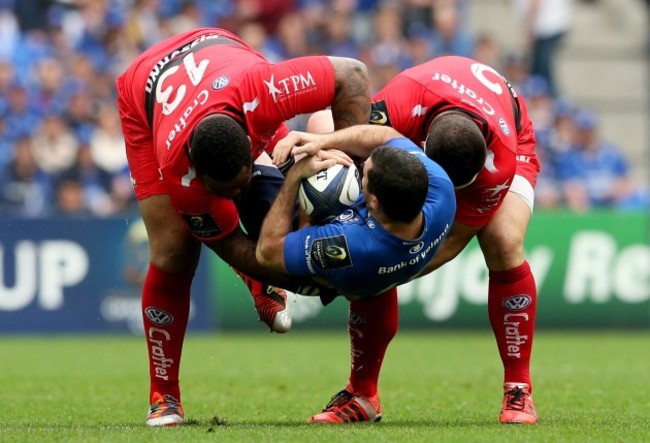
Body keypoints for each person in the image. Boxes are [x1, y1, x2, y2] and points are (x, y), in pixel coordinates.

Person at [115, 27, 371, 426]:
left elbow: (352, 74)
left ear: (254, 143)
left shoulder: (265, 93)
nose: (236, 191)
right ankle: (163, 396)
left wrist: (348, 153)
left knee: (308, 201)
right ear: (200, 176)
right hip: (143, 90)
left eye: (244, 176)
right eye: (225, 190)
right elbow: (231, 244)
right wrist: (291, 274)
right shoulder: (181, 177)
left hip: (222, 57)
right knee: (174, 251)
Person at [286, 54, 540, 424]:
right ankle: (362, 395)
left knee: (503, 241)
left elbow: (447, 242)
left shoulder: (495, 162)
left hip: (514, 137)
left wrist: (374, 267)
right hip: (429, 105)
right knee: (330, 135)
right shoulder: (401, 104)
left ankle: (518, 390)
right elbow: (359, 137)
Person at [258, 124, 456, 423]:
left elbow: (268, 252)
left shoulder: (353, 245)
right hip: (388, 265)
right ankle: (364, 395)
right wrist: (322, 141)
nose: (360, 169)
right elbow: (386, 136)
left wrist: (296, 178)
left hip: (349, 272)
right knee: (322, 123)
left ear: (373, 203)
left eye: (363, 175)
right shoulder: (440, 188)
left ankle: (255, 285)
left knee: (254, 179)